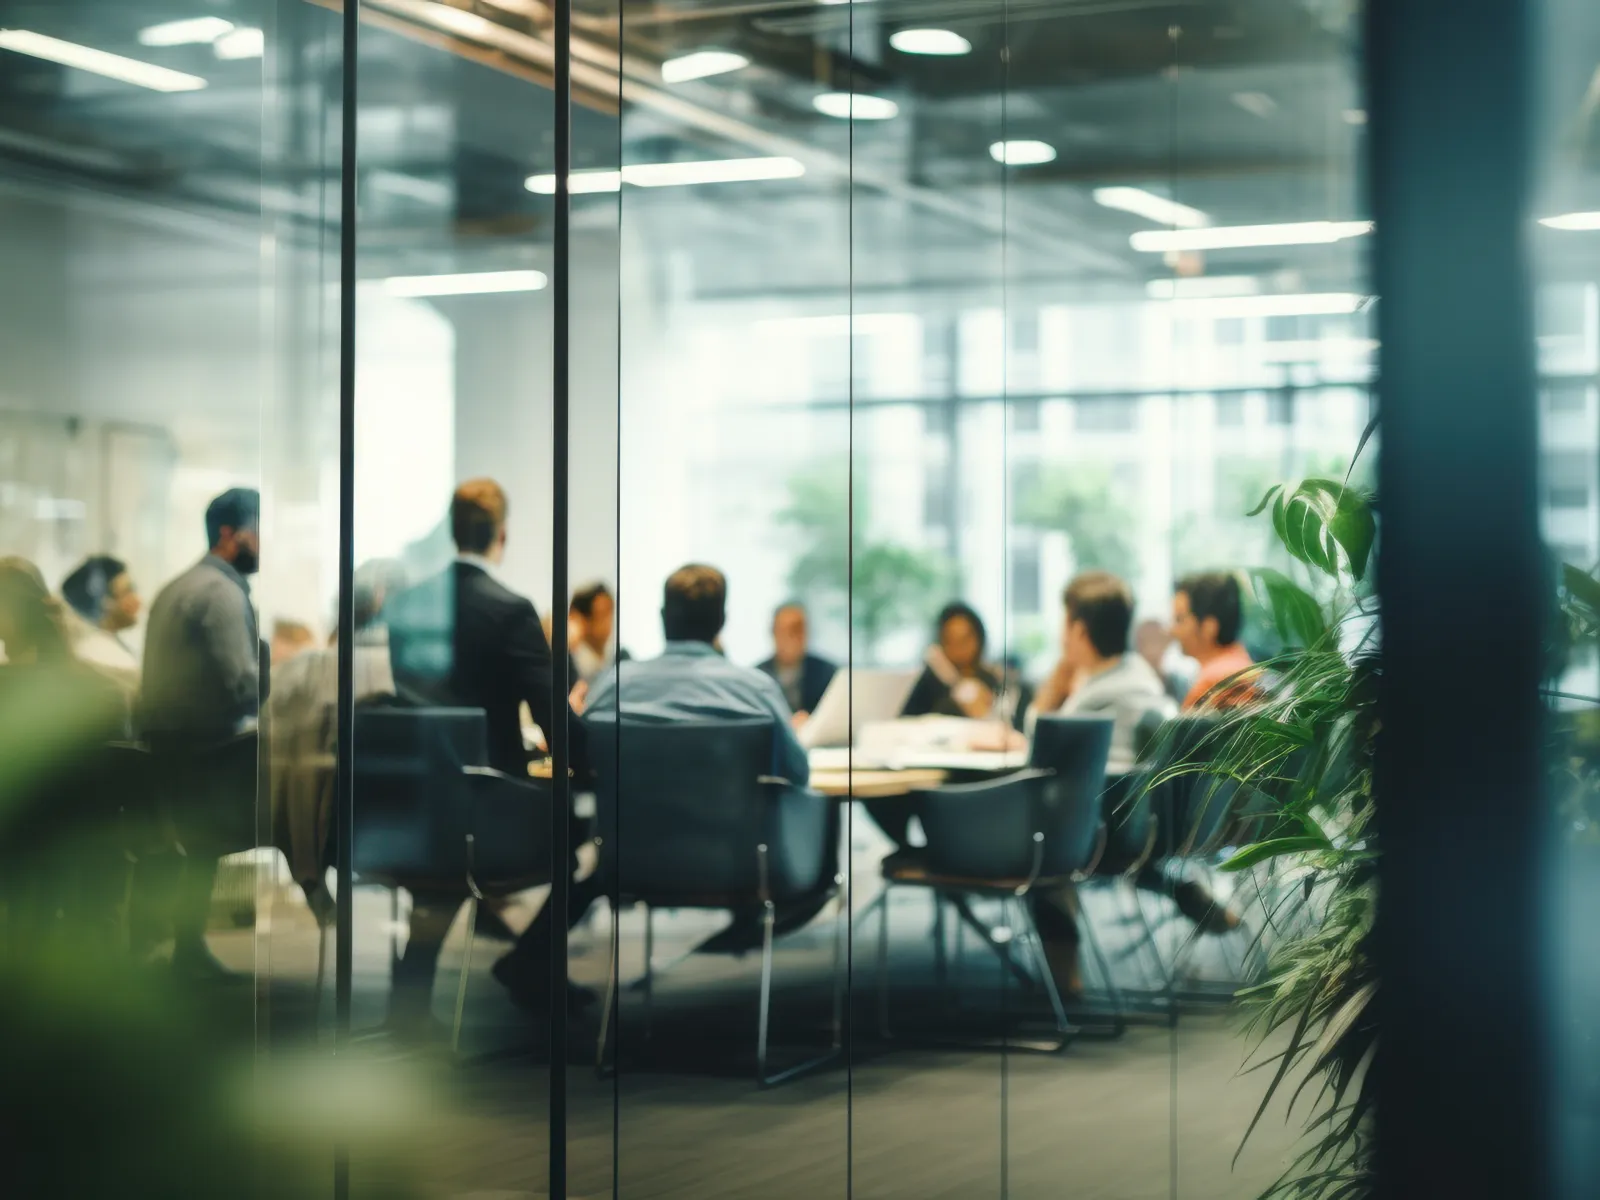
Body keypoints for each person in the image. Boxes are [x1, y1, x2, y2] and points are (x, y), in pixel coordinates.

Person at [382, 479, 591, 1022]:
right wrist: (598, 760)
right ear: (502, 534)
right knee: (576, 835)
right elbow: (551, 714)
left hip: (418, 797)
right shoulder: (510, 609)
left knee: (443, 874)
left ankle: (411, 989)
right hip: (488, 800)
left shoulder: (406, 604)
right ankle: (532, 964)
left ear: (454, 531)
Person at [561, 564, 821, 955]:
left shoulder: (616, 684)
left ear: (664, 617)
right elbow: (798, 775)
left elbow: (582, 758)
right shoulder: (755, 689)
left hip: (631, 862)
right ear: (722, 622)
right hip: (737, 867)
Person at [139, 487, 265, 980]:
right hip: (209, 757)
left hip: (170, 754)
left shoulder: (175, 587)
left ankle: (185, 950)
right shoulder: (221, 594)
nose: (262, 545)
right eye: (258, 533)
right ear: (230, 535)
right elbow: (241, 685)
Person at [268, 559, 403, 904]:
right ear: (382, 598)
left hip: (315, 826)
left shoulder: (302, 671)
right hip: (390, 825)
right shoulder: (393, 672)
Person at [1030, 572, 1175, 775]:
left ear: (1079, 630)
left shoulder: (1097, 701)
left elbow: (1042, 756)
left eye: (1064, 623)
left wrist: (1050, 692)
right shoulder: (1139, 675)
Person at [901, 601, 1010, 722]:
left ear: (979, 639)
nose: (958, 648)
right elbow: (906, 719)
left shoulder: (990, 679)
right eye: (950, 641)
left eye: (965, 640)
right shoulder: (931, 680)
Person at [1173, 571, 1256, 710]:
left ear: (1208, 627)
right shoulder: (1243, 668)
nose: (1172, 630)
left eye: (1179, 620)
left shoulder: (1213, 684)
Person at [59, 554, 142, 691]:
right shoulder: (104, 658)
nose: (138, 600)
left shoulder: (104, 648)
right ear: (105, 602)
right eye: (128, 591)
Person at [756, 601, 836, 728]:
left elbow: (836, 715)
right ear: (773, 632)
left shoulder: (828, 673)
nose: (791, 637)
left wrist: (812, 719)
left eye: (797, 629)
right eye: (784, 630)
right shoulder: (757, 676)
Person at [567, 581, 623, 686]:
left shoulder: (621, 657)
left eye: (610, 613)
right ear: (581, 618)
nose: (609, 622)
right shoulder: (568, 664)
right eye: (602, 614)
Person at [1134, 617, 1189, 706]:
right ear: (1140, 643)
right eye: (1150, 639)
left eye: (1158, 640)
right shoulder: (1132, 682)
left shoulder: (1178, 681)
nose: (1154, 647)